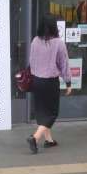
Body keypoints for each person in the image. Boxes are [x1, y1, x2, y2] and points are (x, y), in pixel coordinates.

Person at [27, 14, 71, 154]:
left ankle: (49, 140)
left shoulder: (35, 41)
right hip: (50, 82)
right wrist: (68, 82)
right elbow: (64, 64)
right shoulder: (58, 43)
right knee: (52, 112)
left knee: (42, 111)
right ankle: (35, 138)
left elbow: (31, 61)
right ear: (54, 26)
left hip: (36, 80)